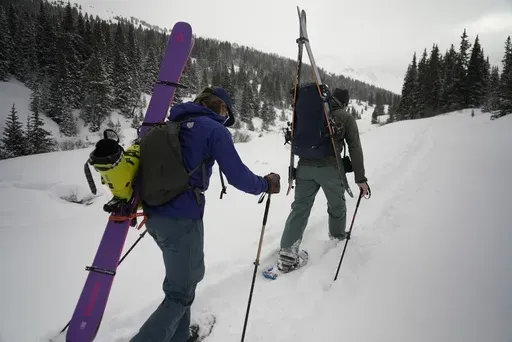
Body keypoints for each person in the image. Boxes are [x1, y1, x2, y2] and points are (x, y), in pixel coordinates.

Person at [130, 86, 281, 342]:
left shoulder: (174, 124)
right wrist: (265, 184)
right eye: (226, 111)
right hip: (183, 219)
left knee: (182, 284)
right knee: (180, 293)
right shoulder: (214, 130)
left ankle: (178, 337)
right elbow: (237, 176)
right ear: (221, 107)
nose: (225, 117)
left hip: (155, 216)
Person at [277, 86, 369, 273]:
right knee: (336, 205)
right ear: (345, 102)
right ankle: (337, 239)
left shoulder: (312, 110)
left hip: (304, 168)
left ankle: (287, 253)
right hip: (330, 168)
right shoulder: (345, 117)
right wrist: (360, 178)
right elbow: (355, 148)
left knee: (300, 208)